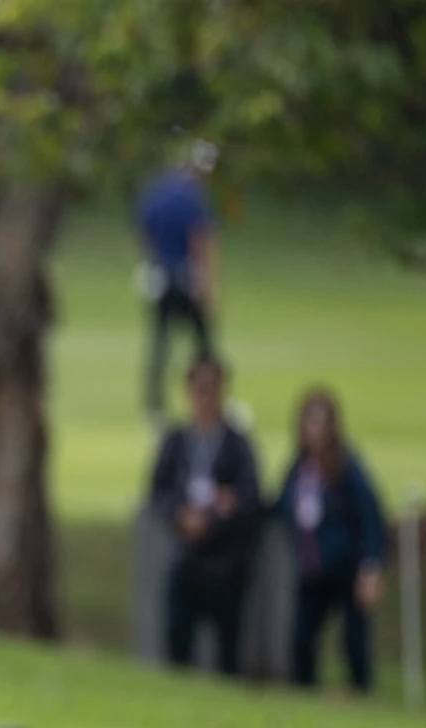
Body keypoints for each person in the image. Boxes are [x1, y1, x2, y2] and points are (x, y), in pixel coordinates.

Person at [148, 354, 261, 675]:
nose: (204, 396)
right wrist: (182, 516)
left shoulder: (237, 444)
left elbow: (251, 495)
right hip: (186, 555)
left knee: (228, 645)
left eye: (210, 388)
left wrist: (221, 513)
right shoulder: (176, 440)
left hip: (224, 560)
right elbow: (159, 492)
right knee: (178, 640)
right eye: (197, 388)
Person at [275, 390, 387, 692]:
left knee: (353, 639)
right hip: (311, 569)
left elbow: (370, 517)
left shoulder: (347, 467)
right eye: (309, 423)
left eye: (321, 423)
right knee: (302, 638)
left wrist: (371, 565)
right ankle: (304, 693)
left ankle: (361, 693)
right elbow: (281, 507)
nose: (315, 431)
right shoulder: (298, 468)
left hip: (344, 568)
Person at [135, 139, 219, 422]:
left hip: (159, 276)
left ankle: (154, 404)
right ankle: (212, 394)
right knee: (203, 341)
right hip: (186, 276)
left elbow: (142, 232)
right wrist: (205, 285)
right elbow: (200, 240)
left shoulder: (156, 190)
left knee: (160, 340)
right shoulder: (193, 197)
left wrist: (153, 260)